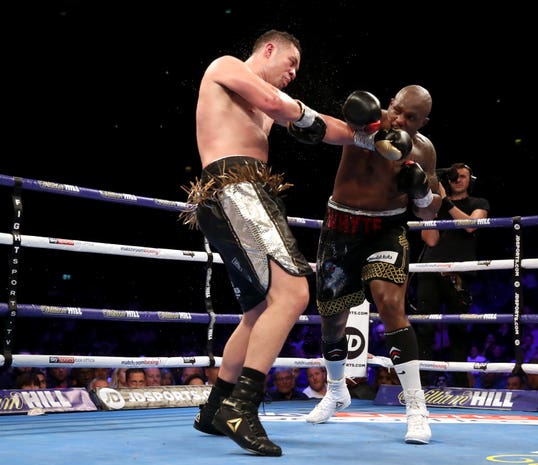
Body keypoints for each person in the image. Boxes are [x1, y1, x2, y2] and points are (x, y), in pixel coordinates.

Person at [184, 29, 355, 457]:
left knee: (259, 309)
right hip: (235, 186)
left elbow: (318, 125)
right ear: (269, 49)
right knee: (295, 291)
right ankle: (242, 407)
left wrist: (367, 135)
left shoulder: (264, 101)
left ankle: (216, 407)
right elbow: (284, 107)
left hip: (240, 193)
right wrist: (306, 117)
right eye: (291, 63)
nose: (293, 73)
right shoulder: (226, 67)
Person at [306, 86, 440, 445]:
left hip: (386, 228)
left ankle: (416, 409)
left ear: (422, 121)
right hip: (341, 227)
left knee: (391, 302)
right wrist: (305, 122)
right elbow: (329, 130)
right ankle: (336, 391)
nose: (398, 119)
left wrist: (421, 191)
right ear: (390, 103)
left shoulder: (423, 150)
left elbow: (430, 210)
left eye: (410, 118)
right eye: (396, 109)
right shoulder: (364, 121)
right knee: (332, 319)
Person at [414, 162, 490, 387]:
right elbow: (430, 239)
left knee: (457, 329)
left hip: (459, 273)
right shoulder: (436, 204)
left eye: (463, 176)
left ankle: (459, 384)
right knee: (425, 327)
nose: (458, 180)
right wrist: (430, 205)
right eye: (454, 176)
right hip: (430, 269)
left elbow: (470, 226)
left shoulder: (479, 203)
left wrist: (446, 202)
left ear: (470, 180)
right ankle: (421, 383)